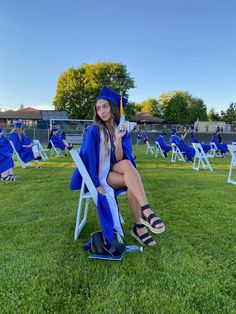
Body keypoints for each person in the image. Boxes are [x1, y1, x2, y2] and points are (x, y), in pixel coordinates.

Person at [71, 85, 165, 246]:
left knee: (128, 166)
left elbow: (119, 158)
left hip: (112, 169)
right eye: (98, 108)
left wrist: (119, 139)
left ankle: (141, 222)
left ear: (113, 108)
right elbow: (88, 157)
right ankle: (143, 218)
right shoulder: (93, 130)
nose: (102, 111)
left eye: (105, 107)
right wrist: (94, 182)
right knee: (132, 179)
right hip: (99, 174)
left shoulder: (120, 130)